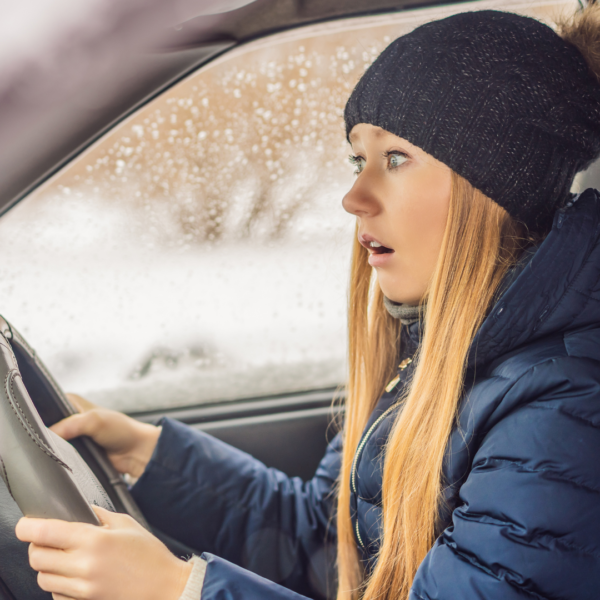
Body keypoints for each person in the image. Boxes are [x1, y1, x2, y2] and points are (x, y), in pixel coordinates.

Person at [15, 4, 600, 600]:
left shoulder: (564, 411)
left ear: (493, 188)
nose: (353, 197)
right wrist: (148, 455)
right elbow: (326, 542)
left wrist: (181, 591)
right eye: (358, 159)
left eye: (395, 158)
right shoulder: (426, 347)